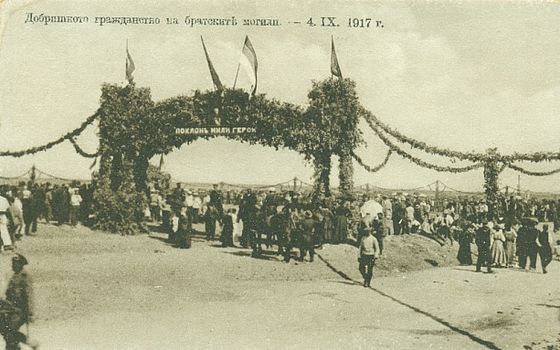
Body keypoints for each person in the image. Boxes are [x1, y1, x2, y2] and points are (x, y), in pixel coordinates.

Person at [0, 254, 37, 350]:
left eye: (15, 263)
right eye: (13, 263)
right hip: (8, 308)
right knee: (3, 327)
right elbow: (3, 291)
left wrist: (31, 313)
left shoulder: (26, 276)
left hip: (20, 310)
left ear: (20, 264)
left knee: (10, 330)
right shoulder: (9, 275)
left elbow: (30, 296)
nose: (13, 265)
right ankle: (26, 342)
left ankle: (16, 345)